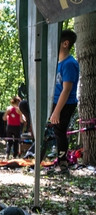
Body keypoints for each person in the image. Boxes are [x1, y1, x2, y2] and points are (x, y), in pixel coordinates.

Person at [49, 30, 79, 174]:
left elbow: (66, 89)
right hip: (53, 101)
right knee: (25, 105)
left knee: (60, 132)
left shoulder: (69, 64)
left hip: (65, 104)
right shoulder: (57, 62)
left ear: (65, 44)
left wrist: (56, 112)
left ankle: (62, 164)